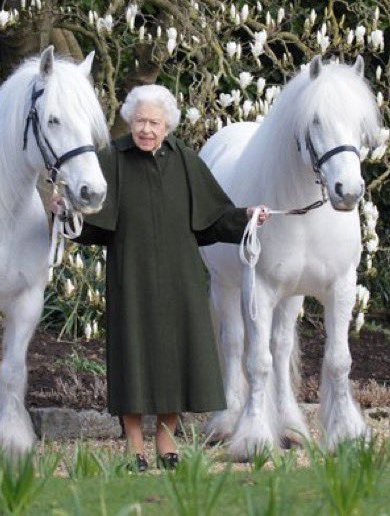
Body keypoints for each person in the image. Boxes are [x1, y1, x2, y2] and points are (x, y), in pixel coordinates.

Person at [59, 84, 269, 471]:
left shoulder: (187, 162)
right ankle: (134, 446)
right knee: (132, 358)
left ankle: (167, 440)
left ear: (168, 125)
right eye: (139, 120)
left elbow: (213, 219)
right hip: (131, 277)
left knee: (179, 357)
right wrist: (67, 215)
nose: (146, 129)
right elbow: (94, 227)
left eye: (154, 122)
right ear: (129, 120)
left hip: (181, 278)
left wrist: (247, 217)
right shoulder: (112, 160)